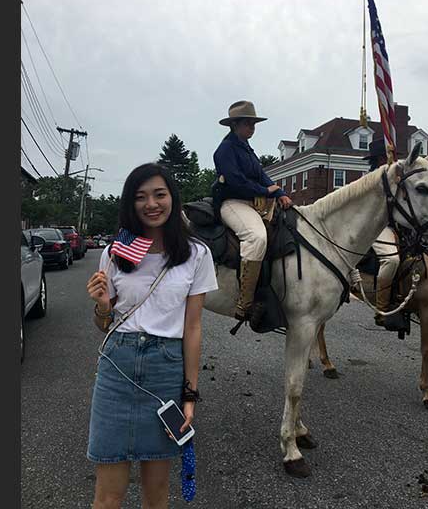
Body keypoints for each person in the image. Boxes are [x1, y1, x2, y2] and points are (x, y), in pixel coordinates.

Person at [85, 163, 218, 509]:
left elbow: (192, 328)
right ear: (131, 204)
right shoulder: (116, 251)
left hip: (164, 372)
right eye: (141, 197)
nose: (151, 204)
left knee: (156, 494)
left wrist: (190, 393)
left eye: (160, 194)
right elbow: (105, 324)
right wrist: (102, 306)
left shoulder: (196, 254)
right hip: (117, 367)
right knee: (108, 495)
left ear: (172, 198)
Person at [212, 100, 292, 323]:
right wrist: (265, 190)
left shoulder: (247, 148)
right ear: (235, 125)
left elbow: (261, 175)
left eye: (254, 123)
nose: (252, 127)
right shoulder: (225, 150)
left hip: (254, 202)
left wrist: (280, 193)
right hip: (233, 202)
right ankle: (244, 302)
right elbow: (237, 181)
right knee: (256, 238)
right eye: (249, 123)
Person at [362, 140, 400, 318]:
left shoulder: (395, 176)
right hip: (378, 225)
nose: (392, 159)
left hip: (399, 224)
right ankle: (382, 309)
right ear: (380, 159)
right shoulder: (370, 180)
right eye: (388, 156)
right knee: (391, 260)